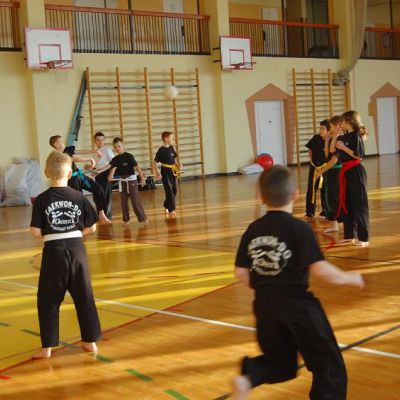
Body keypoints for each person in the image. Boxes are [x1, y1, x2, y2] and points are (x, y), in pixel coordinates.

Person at [232, 165, 364, 400]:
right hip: (298, 308)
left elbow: (240, 271)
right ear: (295, 195)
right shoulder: (298, 229)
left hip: (264, 307)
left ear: (261, 197)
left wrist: (265, 284)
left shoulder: (253, 229)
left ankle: (248, 378)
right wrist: (349, 278)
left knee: (281, 365)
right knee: (329, 367)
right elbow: (321, 270)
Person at [30, 151, 101, 359]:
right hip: (77, 250)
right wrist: (77, 232)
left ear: (46, 173)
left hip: (53, 252)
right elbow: (92, 226)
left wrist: (52, 232)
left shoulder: (42, 199)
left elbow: (35, 232)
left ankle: (47, 347)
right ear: (70, 173)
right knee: (84, 296)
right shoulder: (79, 197)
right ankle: (90, 341)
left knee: (48, 299)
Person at [49, 135, 110, 223]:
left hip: (80, 176)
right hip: (72, 180)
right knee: (79, 199)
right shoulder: (57, 155)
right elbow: (73, 159)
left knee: (98, 189)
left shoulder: (67, 150)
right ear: (56, 144)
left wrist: (95, 150)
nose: (63, 143)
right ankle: (81, 221)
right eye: (61, 141)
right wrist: (89, 159)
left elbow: (81, 151)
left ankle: (101, 212)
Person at [335, 110, 369, 246]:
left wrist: (344, 148)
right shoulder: (344, 137)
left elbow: (359, 155)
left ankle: (364, 238)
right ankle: (349, 235)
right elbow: (332, 151)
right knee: (347, 203)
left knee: (359, 205)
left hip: (356, 171)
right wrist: (336, 135)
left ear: (349, 121)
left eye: (342, 121)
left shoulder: (356, 136)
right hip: (346, 172)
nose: (341, 124)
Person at [95, 137, 147, 228]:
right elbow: (108, 166)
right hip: (123, 182)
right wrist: (98, 171)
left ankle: (143, 218)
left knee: (135, 201)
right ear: (114, 149)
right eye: (115, 147)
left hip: (131, 181)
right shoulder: (116, 159)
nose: (117, 148)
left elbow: (137, 167)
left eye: (119, 146)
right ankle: (126, 220)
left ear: (123, 146)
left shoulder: (129, 156)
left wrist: (142, 178)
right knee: (123, 202)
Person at [316, 116, 344, 233]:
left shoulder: (339, 139)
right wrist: (327, 141)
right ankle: (334, 224)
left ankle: (340, 222)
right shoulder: (332, 139)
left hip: (336, 171)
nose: (320, 131)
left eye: (331, 127)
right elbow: (328, 156)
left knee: (334, 197)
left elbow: (333, 161)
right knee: (331, 197)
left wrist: (321, 171)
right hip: (332, 172)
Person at [305, 121, 330, 218]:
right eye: (320, 128)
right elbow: (310, 149)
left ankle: (326, 210)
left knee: (325, 189)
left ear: (329, 131)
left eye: (323, 129)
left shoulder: (330, 140)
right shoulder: (316, 138)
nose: (320, 130)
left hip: (325, 168)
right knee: (311, 188)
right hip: (314, 167)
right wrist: (312, 161)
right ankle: (310, 211)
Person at [153, 131, 181, 216]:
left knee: (174, 190)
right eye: (171, 138)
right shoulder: (161, 150)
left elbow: (174, 158)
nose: (172, 139)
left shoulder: (171, 148)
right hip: (165, 171)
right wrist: (157, 172)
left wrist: (178, 164)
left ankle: (166, 205)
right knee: (169, 190)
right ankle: (171, 209)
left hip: (173, 171)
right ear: (166, 139)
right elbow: (155, 162)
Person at [93, 131, 114, 219]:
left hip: (106, 173)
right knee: (98, 194)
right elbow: (96, 165)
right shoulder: (95, 151)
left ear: (104, 141)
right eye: (98, 140)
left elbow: (113, 163)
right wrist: (90, 167)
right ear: (95, 141)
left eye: (102, 140)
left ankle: (107, 214)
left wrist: (111, 174)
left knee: (106, 194)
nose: (100, 142)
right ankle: (100, 213)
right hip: (98, 174)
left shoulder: (107, 150)